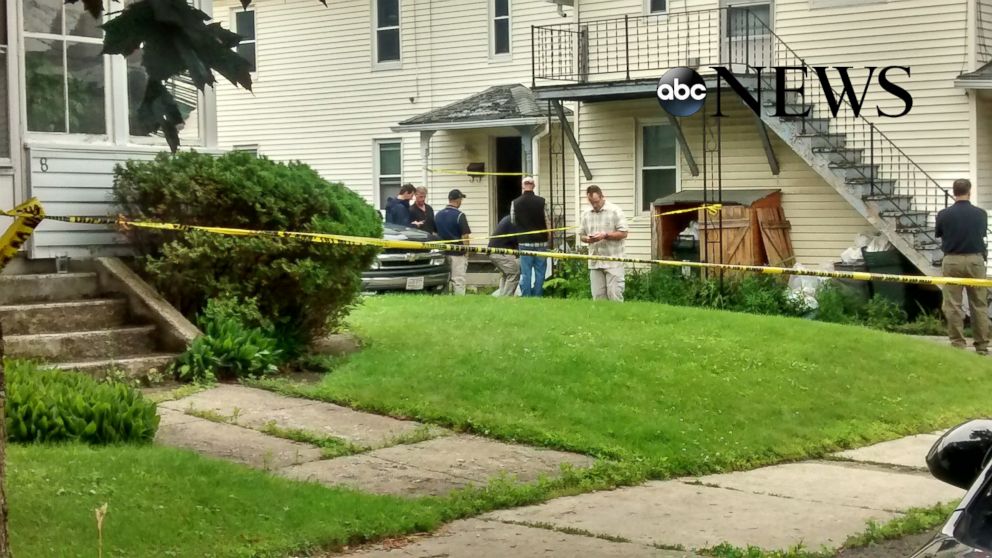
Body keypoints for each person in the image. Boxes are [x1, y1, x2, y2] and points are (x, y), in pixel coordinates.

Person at [936, 178, 990, 355]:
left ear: (953, 193)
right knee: (979, 304)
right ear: (970, 191)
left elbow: (940, 234)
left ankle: (958, 345)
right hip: (975, 260)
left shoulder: (944, 214)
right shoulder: (980, 213)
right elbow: (981, 234)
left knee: (953, 305)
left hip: (952, 260)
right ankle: (981, 346)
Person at [579, 185, 629, 302]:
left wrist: (605, 235)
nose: (595, 205)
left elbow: (624, 233)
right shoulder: (586, 214)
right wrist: (587, 239)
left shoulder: (615, 211)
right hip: (595, 261)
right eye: (592, 202)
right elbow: (581, 235)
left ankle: (618, 319)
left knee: (614, 295)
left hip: (613, 260)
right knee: (598, 297)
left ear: (602, 197)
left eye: (596, 202)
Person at [510, 176, 551, 297]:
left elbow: (513, 221)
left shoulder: (515, 202)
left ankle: (526, 296)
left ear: (523, 186)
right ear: (534, 186)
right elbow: (548, 221)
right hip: (541, 242)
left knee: (526, 273)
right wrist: (549, 238)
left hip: (524, 242)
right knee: (540, 272)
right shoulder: (542, 201)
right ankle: (537, 295)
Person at [435, 189, 472, 295]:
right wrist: (467, 252)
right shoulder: (460, 215)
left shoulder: (438, 215)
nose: (461, 202)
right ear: (458, 200)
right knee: (458, 280)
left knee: (444, 279)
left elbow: (435, 233)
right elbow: (465, 236)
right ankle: (459, 300)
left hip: (443, 252)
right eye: (461, 199)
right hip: (457, 253)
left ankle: (444, 300)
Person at [489, 214, 520, 297]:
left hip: (494, 252)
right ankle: (506, 297)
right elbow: (515, 239)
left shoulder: (508, 219)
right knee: (514, 273)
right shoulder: (513, 221)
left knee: (506, 274)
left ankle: (502, 296)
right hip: (501, 252)